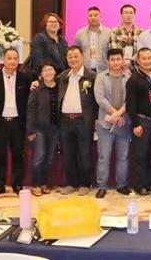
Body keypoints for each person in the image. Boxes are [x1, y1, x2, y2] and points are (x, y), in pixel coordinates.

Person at [0, 48, 30, 196]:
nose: (12, 61)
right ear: (3, 59)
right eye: (9, 58)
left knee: (18, 155)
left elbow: (29, 101)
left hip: (18, 123)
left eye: (15, 58)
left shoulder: (24, 78)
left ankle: (17, 184)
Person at [57, 46, 97, 195]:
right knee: (68, 154)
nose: (73, 59)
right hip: (65, 120)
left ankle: (85, 183)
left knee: (84, 153)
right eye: (70, 57)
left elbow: (97, 100)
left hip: (83, 120)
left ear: (83, 57)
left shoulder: (91, 76)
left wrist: (96, 120)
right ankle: (71, 183)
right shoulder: (62, 77)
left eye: (76, 56)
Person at [94, 48, 131, 198]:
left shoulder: (128, 78)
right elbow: (100, 99)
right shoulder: (101, 77)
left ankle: (121, 185)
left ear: (123, 60)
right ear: (107, 61)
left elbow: (130, 100)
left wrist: (117, 115)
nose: (116, 62)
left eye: (118, 59)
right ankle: (102, 186)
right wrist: (115, 114)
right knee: (104, 156)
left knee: (123, 156)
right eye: (112, 59)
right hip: (105, 123)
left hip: (122, 122)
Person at [126, 47, 151, 196]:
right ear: (138, 61)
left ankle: (150, 184)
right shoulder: (133, 79)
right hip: (141, 121)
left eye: (149, 58)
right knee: (140, 155)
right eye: (144, 58)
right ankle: (140, 185)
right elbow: (130, 105)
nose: (147, 61)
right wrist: (136, 124)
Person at [26, 61, 59, 196]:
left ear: (55, 71)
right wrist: (30, 130)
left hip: (55, 129)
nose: (48, 72)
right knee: (39, 157)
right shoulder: (37, 89)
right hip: (39, 129)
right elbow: (30, 110)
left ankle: (44, 183)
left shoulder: (60, 87)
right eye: (45, 70)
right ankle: (36, 184)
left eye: (50, 69)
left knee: (49, 158)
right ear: (40, 74)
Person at [72, 6, 111, 73]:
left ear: (100, 17)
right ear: (87, 17)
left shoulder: (109, 33)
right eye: (90, 15)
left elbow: (111, 52)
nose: (93, 17)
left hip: (104, 71)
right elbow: (75, 52)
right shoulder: (80, 33)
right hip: (85, 71)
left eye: (95, 15)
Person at [28, 12, 68, 77]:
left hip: (62, 76)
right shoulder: (39, 38)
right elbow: (37, 60)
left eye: (56, 22)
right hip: (46, 76)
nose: (53, 24)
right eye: (50, 22)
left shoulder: (62, 40)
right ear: (45, 24)